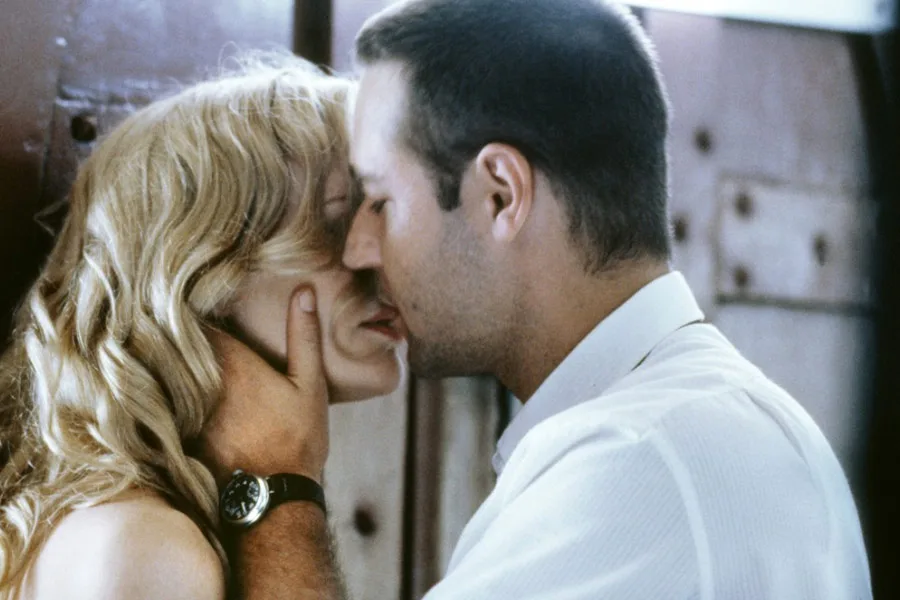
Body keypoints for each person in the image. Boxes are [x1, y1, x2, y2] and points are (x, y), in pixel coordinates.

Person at [201, 0, 873, 598]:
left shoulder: (634, 462)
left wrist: (276, 481)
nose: (358, 250)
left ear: (500, 194)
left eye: (380, 201)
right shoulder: (705, 423)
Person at [0, 54, 405, 599]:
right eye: (336, 222)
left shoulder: (118, 521)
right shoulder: (150, 550)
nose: (383, 260)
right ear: (197, 273)